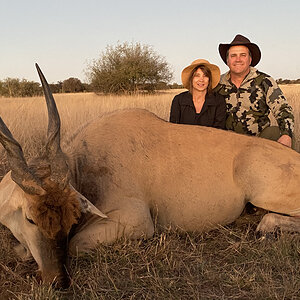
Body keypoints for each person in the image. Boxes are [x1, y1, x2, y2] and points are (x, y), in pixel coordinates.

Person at [215, 34, 294, 148]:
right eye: (233, 55)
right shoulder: (217, 84)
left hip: (260, 140)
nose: (238, 59)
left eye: (243, 55)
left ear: (250, 59)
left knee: (276, 133)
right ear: (227, 61)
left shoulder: (265, 81)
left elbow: (282, 109)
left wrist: (287, 134)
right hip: (227, 142)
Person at [169, 59, 226, 129]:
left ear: (209, 80)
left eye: (205, 76)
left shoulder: (219, 101)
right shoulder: (178, 100)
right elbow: (173, 128)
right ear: (191, 79)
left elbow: (219, 131)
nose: (201, 79)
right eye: (197, 75)